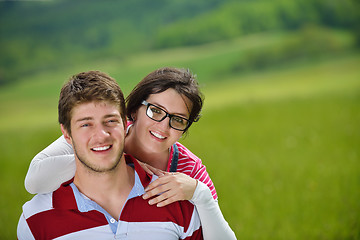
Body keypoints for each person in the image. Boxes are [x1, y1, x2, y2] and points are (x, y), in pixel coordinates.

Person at [24, 67, 237, 239]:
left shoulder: (189, 169)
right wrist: (113, 160)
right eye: (156, 111)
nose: (164, 126)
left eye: (178, 119)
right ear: (134, 110)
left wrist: (201, 194)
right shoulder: (107, 128)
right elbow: (34, 181)